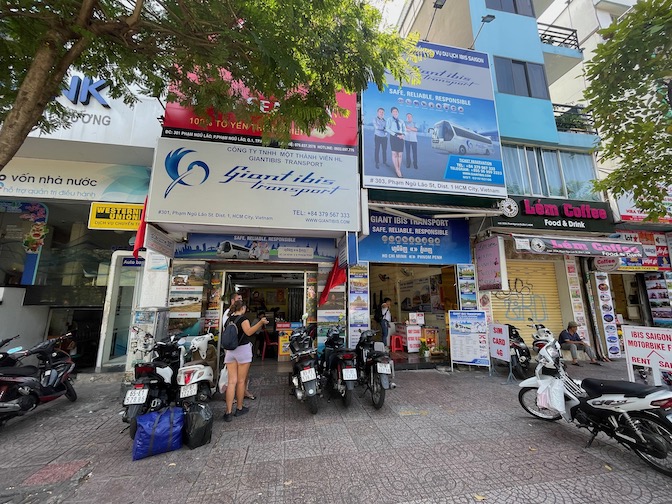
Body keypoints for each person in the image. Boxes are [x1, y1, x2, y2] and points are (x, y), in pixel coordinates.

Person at [222, 300, 268, 421]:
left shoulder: (228, 320)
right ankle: (239, 408)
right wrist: (261, 323)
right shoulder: (243, 319)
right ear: (243, 308)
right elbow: (249, 332)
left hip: (230, 352)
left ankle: (228, 412)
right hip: (242, 351)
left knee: (231, 382)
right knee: (241, 381)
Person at [385, 107, 406, 178]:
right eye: (393, 111)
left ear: (398, 112)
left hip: (401, 137)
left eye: (396, 111)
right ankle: (397, 170)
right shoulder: (389, 120)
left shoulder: (401, 121)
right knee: (394, 153)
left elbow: (404, 130)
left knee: (400, 154)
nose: (395, 112)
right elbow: (387, 128)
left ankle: (398, 168)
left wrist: (403, 135)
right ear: (391, 113)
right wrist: (396, 135)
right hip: (394, 136)